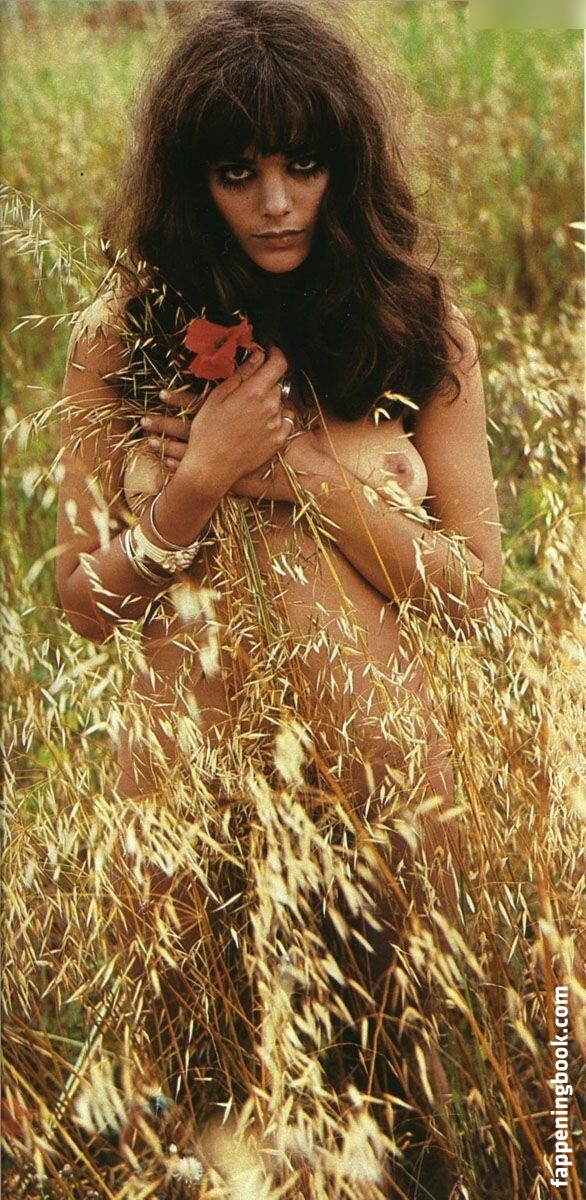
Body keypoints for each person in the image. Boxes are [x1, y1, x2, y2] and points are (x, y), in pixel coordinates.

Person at [56, 0, 501, 1192]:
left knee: (415, 1125)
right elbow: (83, 602)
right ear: (189, 180)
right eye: (235, 172)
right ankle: (182, 1122)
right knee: (193, 1134)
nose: (273, 204)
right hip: (190, 787)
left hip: (386, 788)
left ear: (346, 164)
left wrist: (296, 470)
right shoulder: (123, 334)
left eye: (302, 166)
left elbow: (472, 595)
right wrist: (197, 485)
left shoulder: (418, 324)